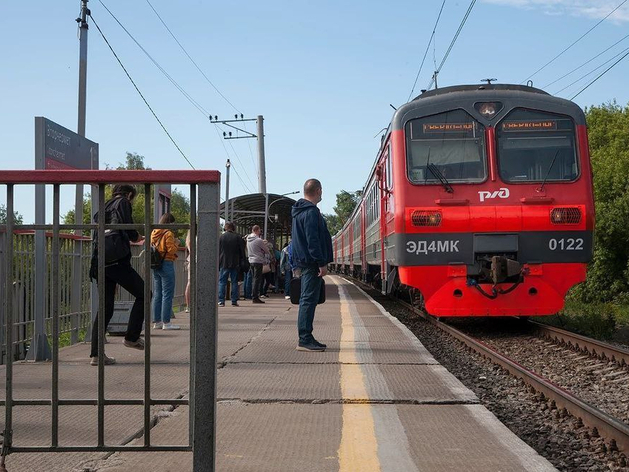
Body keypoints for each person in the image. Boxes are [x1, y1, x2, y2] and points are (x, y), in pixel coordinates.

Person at [89, 184, 145, 365]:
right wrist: (137, 237)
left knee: (106, 307)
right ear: (129, 194)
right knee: (145, 294)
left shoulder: (104, 205)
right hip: (117, 261)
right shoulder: (123, 202)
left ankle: (96, 355)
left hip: (100, 261)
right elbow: (127, 228)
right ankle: (132, 338)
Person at [291, 178, 333, 352]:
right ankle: (305, 339)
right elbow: (312, 241)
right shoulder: (311, 212)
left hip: (305, 262)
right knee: (308, 300)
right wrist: (321, 263)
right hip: (311, 263)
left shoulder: (299, 212)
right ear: (319, 190)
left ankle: (307, 337)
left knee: (307, 300)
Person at [151, 213, 180, 330]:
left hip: (156, 265)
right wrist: (176, 244)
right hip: (166, 263)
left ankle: (156, 321)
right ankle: (166, 323)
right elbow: (171, 250)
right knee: (167, 294)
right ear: (169, 222)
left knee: (157, 294)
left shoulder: (154, 232)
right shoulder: (168, 233)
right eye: (172, 223)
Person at [218, 222, 245, 307]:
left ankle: (221, 301)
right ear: (233, 228)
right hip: (235, 262)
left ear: (225, 228)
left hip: (224, 262)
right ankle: (234, 301)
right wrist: (242, 260)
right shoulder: (237, 237)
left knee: (222, 282)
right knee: (234, 282)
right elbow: (242, 250)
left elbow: (218, 250)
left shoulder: (221, 237)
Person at [246, 225, 269, 304]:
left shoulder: (248, 239)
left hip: (251, 260)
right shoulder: (258, 240)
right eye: (259, 231)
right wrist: (264, 247)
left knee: (253, 279)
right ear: (257, 230)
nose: (260, 232)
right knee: (257, 279)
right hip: (258, 260)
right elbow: (266, 250)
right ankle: (255, 297)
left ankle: (252, 295)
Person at [184, 230, 191, 312]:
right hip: (197, 261)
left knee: (189, 283)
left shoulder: (189, 239)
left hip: (190, 261)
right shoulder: (197, 238)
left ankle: (188, 306)